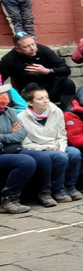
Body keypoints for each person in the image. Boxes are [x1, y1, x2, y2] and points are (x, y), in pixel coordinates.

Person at [19, 85, 82, 205]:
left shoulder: (56, 111)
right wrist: (47, 148)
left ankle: (70, 186)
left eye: (47, 97)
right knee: (60, 157)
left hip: (57, 145)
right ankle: (57, 190)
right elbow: (25, 144)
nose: (45, 101)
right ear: (30, 103)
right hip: (39, 148)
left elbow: (62, 134)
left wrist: (61, 147)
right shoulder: (21, 118)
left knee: (74, 153)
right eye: (40, 99)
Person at [0, 34, 76, 109]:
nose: (32, 48)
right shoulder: (9, 59)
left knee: (68, 83)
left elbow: (66, 70)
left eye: (33, 44)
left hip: (50, 89)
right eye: (26, 47)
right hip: (29, 93)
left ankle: (67, 111)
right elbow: (1, 79)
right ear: (17, 49)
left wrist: (48, 71)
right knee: (32, 85)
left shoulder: (43, 50)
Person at [0, 84, 37, 214]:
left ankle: (44, 193)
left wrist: (3, 138)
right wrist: (10, 135)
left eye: (5, 95)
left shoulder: (8, 111)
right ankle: (8, 199)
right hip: (4, 152)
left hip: (10, 149)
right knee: (26, 161)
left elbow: (21, 133)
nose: (4, 98)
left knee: (43, 157)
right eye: (1, 95)